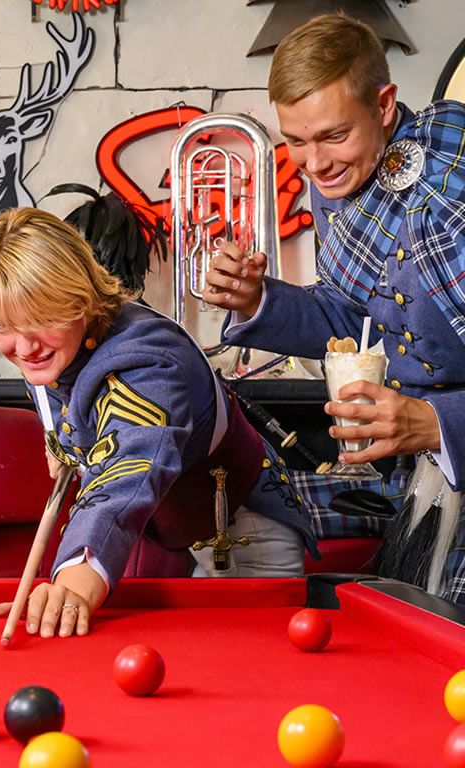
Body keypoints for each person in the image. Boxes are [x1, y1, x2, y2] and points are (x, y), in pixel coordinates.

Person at [204, 13, 465, 603]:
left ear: (385, 104)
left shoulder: (457, 184)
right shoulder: (344, 187)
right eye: (295, 139)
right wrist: (258, 299)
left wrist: (437, 424)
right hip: (409, 470)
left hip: (450, 450)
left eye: (332, 135)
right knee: (238, 513)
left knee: (438, 622)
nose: (314, 164)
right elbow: (357, 317)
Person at [0, 207, 317, 639]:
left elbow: (127, 470)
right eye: (3, 326)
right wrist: (62, 446)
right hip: (162, 536)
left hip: (238, 541)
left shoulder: (149, 363)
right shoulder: (52, 351)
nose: (23, 346)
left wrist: (72, 584)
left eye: (40, 320)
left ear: (80, 300)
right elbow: (67, 412)